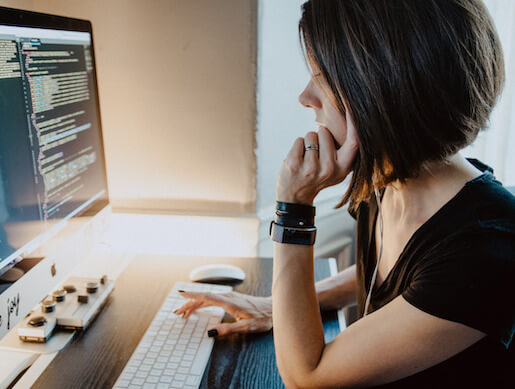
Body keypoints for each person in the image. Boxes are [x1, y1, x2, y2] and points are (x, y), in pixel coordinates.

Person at [174, 0, 515, 387]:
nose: (306, 96)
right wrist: (277, 309)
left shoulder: (487, 247)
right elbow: (410, 283)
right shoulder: (387, 182)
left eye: (322, 76)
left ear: (385, 89)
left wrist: (294, 208)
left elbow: (306, 375)